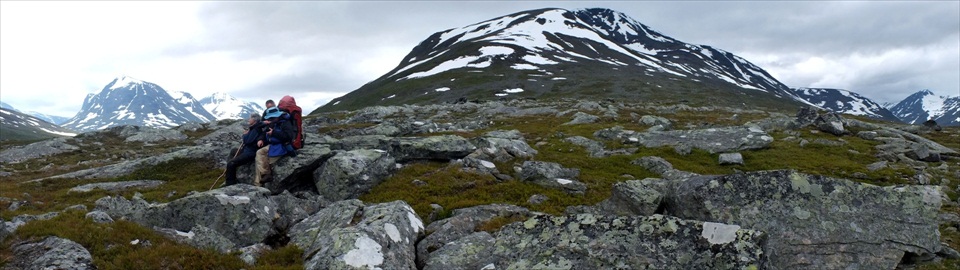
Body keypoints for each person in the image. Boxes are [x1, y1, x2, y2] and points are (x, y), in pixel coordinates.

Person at [254, 107, 296, 185]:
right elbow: (265, 132)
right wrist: (261, 139)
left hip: (282, 146)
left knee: (264, 160)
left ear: (277, 116)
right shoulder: (273, 122)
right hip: (272, 145)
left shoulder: (286, 123)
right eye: (270, 118)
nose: (270, 119)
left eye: (272, 117)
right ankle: (266, 175)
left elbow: (288, 137)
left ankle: (259, 183)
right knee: (259, 153)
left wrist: (274, 133)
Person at [225, 113, 265, 186]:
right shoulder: (253, 127)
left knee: (231, 163)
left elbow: (247, 141)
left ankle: (230, 183)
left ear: (254, 120)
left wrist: (244, 135)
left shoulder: (256, 129)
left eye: (250, 118)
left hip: (250, 152)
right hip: (247, 150)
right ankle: (230, 172)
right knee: (234, 151)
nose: (249, 120)